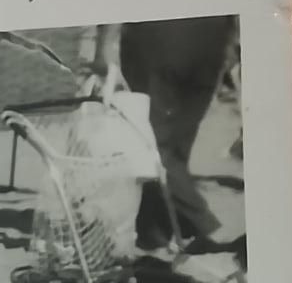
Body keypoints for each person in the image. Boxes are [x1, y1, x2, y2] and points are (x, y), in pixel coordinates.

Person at [88, 17, 239, 253]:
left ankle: (204, 225)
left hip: (160, 35)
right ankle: (152, 233)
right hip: (211, 35)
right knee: (172, 146)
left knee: (153, 143)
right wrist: (231, 40)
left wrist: (104, 45)